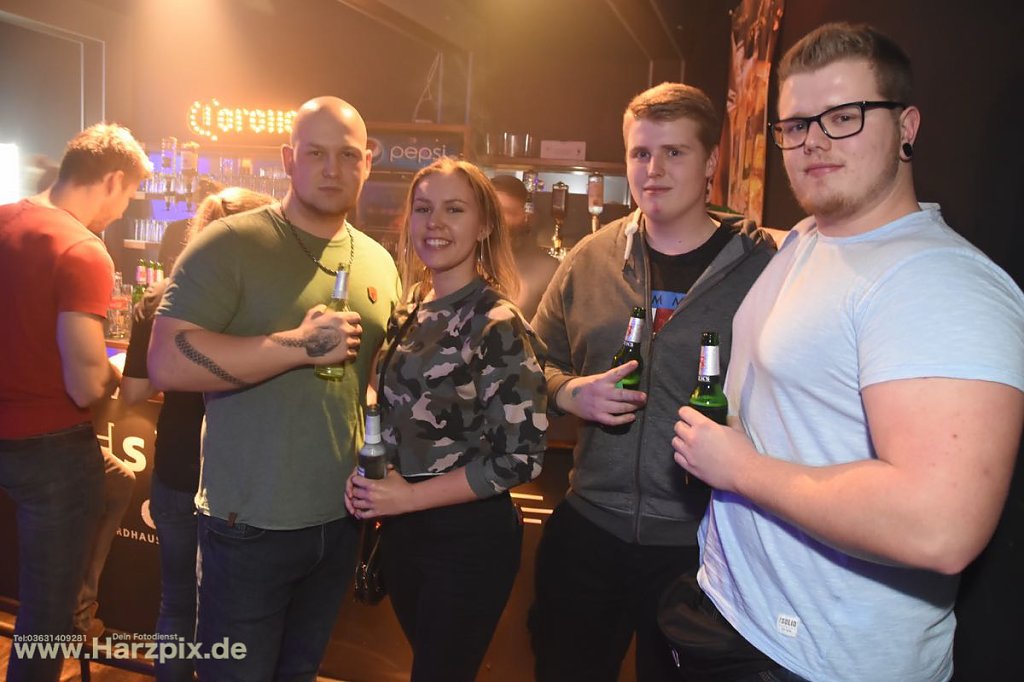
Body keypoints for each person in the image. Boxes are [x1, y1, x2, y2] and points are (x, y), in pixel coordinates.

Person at [669, 23, 1024, 682]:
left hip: (821, 663)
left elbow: (939, 528)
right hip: (737, 615)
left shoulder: (940, 283)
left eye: (843, 117)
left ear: (906, 126)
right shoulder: (812, 237)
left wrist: (738, 467)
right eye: (795, 125)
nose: (813, 142)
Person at [528, 83, 777, 681]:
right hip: (589, 529)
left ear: (711, 162)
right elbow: (528, 367)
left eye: (674, 152)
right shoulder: (589, 258)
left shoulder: (763, 268)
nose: (654, 170)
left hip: (703, 549)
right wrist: (570, 393)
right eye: (641, 153)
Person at [147, 96, 402, 681]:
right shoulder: (230, 243)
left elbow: (364, 385)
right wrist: (296, 345)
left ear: (368, 163)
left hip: (340, 518)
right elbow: (166, 362)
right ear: (288, 159)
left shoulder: (379, 262)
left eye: (348, 155)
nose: (333, 169)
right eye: (316, 154)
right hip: (248, 523)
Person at [345, 157, 548, 682]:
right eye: (423, 208)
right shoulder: (413, 305)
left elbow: (521, 458)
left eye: (454, 209)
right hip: (404, 532)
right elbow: (392, 408)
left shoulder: (496, 321)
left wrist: (405, 498)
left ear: (483, 226)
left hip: (466, 539)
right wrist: (369, 476)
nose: (434, 222)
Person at [0, 123, 151, 682]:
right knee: (45, 617)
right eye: (129, 194)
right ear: (112, 180)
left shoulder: (5, 219)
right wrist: (116, 371)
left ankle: (83, 609)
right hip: (49, 447)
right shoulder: (83, 249)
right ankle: (78, 616)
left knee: (115, 479)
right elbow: (86, 385)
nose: (124, 209)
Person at [120, 187, 274, 682]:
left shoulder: (161, 299)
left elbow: (133, 391)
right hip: (243, 480)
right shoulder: (267, 307)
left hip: (178, 468)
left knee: (177, 601)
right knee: (236, 610)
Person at [490, 173, 558, 321]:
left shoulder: (547, 270)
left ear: (524, 217)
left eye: (507, 212)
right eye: (492, 211)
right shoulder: (464, 261)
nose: (499, 219)